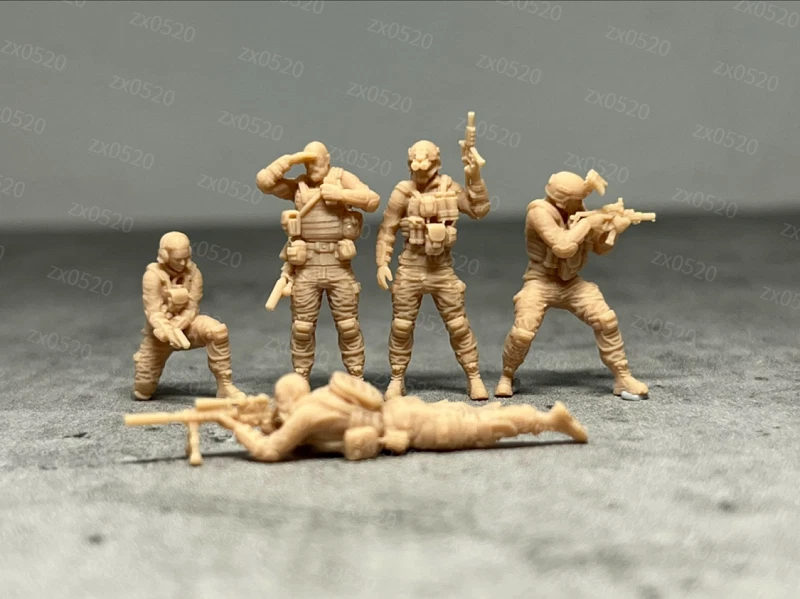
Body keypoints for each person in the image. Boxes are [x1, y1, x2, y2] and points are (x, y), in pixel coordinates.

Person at [495, 170, 649, 400]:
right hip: (540, 281)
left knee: (605, 320)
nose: (581, 203)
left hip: (570, 283)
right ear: (562, 200)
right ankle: (507, 375)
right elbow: (563, 246)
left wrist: (614, 231)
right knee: (523, 332)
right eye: (577, 199)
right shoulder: (539, 212)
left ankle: (622, 377)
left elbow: (600, 249)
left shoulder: (578, 214)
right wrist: (589, 223)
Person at [257, 142, 380, 380]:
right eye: (307, 163)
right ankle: (301, 376)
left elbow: (372, 200)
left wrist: (342, 194)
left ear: (328, 159)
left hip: (337, 264)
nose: (312, 167)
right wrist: (289, 160)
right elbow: (264, 183)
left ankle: (356, 377)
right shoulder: (299, 186)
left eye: (316, 161)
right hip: (307, 265)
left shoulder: (340, 178)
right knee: (302, 327)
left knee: (348, 326)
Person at [133, 231, 245, 400]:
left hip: (187, 326)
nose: (183, 263)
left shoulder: (193, 274)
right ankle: (146, 379)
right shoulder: (153, 276)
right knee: (143, 389)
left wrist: (180, 323)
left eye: (186, 258)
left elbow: (192, 307)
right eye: (178, 259)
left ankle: (225, 385)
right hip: (161, 333)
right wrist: (168, 329)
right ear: (164, 256)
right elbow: (153, 312)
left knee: (217, 331)